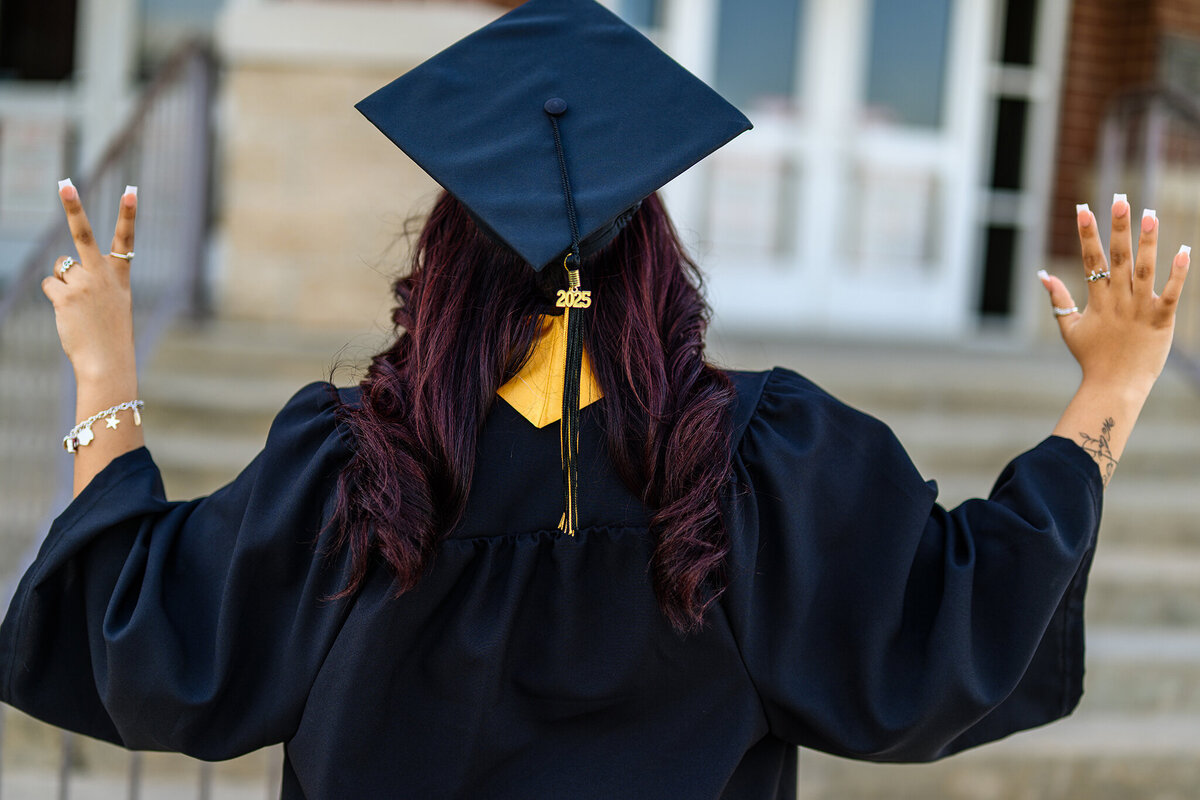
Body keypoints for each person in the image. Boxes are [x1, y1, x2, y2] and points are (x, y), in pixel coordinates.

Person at [0, 0, 1190, 798]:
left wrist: (104, 364)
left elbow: (142, 632)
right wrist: (1112, 389)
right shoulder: (756, 467)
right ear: (653, 257)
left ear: (448, 262)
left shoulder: (357, 471)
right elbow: (953, 626)